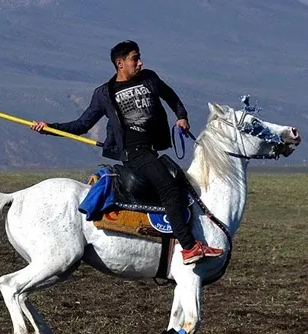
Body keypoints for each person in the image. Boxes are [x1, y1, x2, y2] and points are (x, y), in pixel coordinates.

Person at [31, 40, 223, 265]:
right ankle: (190, 248)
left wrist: (182, 116)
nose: (140, 62)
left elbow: (171, 97)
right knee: (169, 189)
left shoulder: (149, 78)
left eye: (139, 58)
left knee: (180, 184)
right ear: (120, 63)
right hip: (134, 154)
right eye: (135, 59)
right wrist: (48, 128)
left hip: (151, 150)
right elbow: (81, 125)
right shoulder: (104, 94)